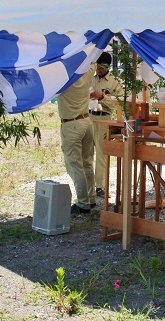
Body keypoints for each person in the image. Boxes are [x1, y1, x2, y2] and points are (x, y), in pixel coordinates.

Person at [57, 54, 101, 214]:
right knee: (88, 162)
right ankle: (91, 198)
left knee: (75, 165)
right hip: (86, 121)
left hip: (71, 124)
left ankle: (83, 203)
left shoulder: (63, 80)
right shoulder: (87, 73)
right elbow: (94, 61)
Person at [89, 52, 123, 197]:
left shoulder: (114, 81)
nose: (99, 69)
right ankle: (88, 186)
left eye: (102, 66)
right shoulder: (90, 79)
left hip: (104, 119)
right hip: (89, 117)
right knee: (87, 152)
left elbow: (120, 101)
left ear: (108, 66)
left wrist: (102, 97)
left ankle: (100, 186)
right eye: (97, 66)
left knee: (102, 153)